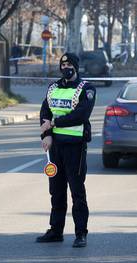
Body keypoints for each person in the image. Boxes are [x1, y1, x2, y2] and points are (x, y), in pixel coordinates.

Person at [37, 52, 96, 248]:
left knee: (77, 191)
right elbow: (45, 111)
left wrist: (54, 123)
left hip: (75, 147)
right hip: (55, 147)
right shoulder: (53, 87)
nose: (65, 68)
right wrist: (46, 135)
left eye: (69, 64)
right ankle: (56, 231)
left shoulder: (86, 88)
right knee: (56, 190)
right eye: (62, 65)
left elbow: (81, 114)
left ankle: (81, 234)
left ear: (76, 67)